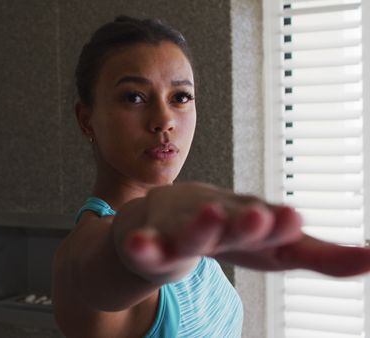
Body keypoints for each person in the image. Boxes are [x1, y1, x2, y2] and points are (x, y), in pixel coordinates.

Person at [52, 16, 370, 338]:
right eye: (134, 97)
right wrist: (142, 228)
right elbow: (102, 264)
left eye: (180, 97)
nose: (164, 120)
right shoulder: (85, 251)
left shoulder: (192, 232)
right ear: (86, 119)